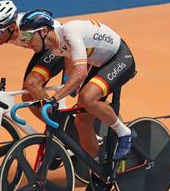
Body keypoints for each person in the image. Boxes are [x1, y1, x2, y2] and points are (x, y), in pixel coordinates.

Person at [19, 10, 137, 161]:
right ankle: (96, 170)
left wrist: (55, 98)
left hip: (120, 58)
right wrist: (70, 83)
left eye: (28, 35)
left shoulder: (69, 33)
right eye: (23, 37)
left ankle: (124, 133)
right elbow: (77, 61)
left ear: (43, 31)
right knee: (81, 121)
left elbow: (80, 73)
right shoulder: (55, 46)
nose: (26, 41)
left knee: (87, 97)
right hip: (100, 63)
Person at [0, 0, 64, 118]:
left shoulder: (26, 30)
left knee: (32, 84)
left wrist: (68, 74)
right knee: (27, 97)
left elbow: (57, 37)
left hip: (60, 46)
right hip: (43, 50)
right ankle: (54, 131)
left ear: (13, 27)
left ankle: (60, 127)